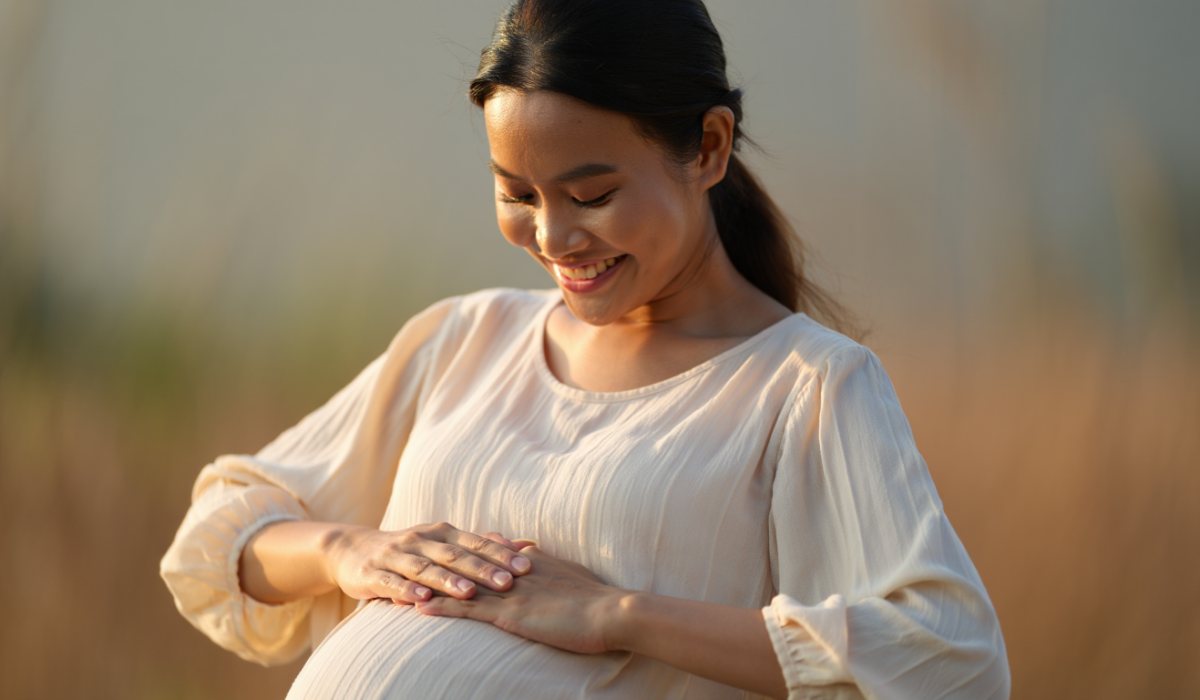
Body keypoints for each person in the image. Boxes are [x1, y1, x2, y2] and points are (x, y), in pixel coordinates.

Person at [160, 1, 1010, 697]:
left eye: (592, 194)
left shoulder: (806, 386)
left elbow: (948, 659)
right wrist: (351, 552)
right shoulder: (465, 338)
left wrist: (619, 615)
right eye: (516, 193)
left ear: (709, 148)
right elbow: (223, 536)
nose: (554, 234)